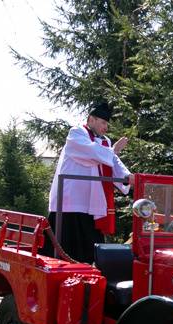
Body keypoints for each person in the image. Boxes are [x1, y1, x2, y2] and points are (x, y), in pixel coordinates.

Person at [48, 102, 132, 263]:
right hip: (70, 202)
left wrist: (128, 176)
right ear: (91, 120)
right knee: (66, 247)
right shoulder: (77, 133)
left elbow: (113, 161)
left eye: (107, 123)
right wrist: (113, 150)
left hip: (92, 201)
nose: (106, 127)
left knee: (90, 246)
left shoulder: (105, 141)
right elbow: (90, 154)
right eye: (102, 122)